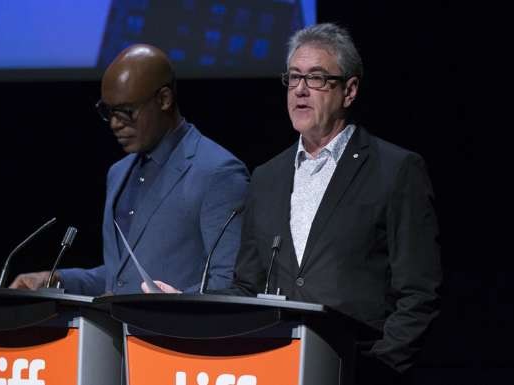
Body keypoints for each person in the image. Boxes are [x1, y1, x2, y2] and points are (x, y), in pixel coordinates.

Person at [152, 23, 442, 382]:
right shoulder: (267, 177)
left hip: (360, 369)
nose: (301, 91)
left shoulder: (395, 170)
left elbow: (419, 293)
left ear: (349, 90)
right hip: (278, 367)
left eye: (317, 78)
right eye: (293, 78)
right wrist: (191, 304)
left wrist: (378, 367)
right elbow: (247, 286)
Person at [10, 44, 249, 295]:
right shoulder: (118, 173)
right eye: (108, 111)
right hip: (117, 333)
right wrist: (57, 279)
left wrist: (177, 305)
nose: (114, 123)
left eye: (126, 111)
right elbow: (122, 277)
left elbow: (229, 281)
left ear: (164, 99)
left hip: (175, 333)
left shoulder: (217, 173)